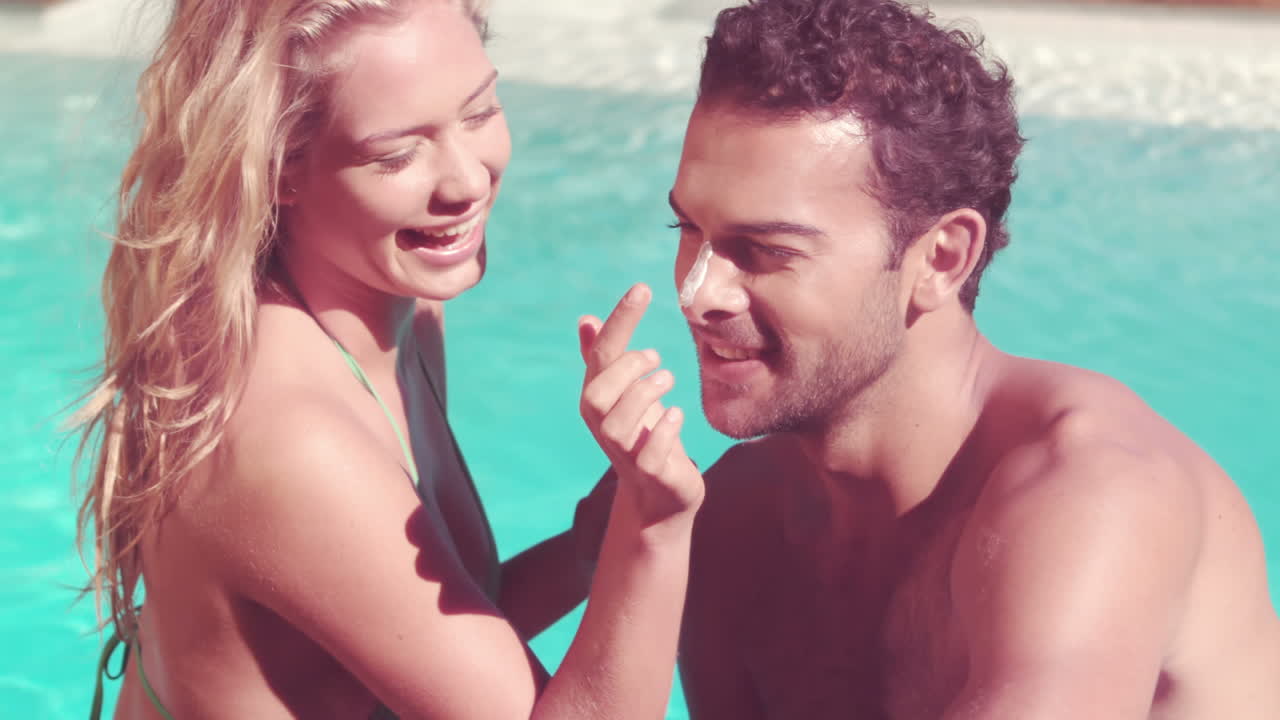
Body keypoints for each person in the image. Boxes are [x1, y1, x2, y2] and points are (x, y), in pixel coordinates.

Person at [75, 0, 703, 718]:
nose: (466, 181)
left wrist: (588, 553)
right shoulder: (290, 439)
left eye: (479, 112)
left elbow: (400, 641)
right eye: (397, 154)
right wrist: (655, 530)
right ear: (278, 167)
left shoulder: (396, 313)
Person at [669, 1, 1280, 718]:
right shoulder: (732, 516)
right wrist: (632, 547)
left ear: (943, 258)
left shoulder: (1091, 496)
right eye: (688, 229)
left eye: (766, 251)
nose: (697, 292)